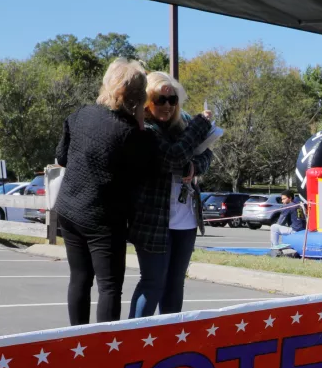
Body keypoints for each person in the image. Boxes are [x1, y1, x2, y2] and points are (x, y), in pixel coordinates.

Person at [55, 58, 155, 325]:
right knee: (109, 287)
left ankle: (77, 340)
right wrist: (141, 124)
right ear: (139, 95)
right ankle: (104, 347)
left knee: (79, 278)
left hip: (69, 209)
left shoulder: (79, 115)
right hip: (103, 220)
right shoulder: (132, 134)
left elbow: (61, 158)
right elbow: (144, 174)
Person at [128, 71, 213, 318]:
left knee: (175, 284)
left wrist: (195, 166)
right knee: (153, 282)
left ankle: (170, 338)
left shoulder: (183, 123)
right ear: (146, 101)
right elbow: (173, 156)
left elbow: (206, 154)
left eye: (172, 100)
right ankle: (135, 338)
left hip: (185, 218)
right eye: (159, 99)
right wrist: (199, 126)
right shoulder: (144, 129)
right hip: (154, 219)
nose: (167, 106)